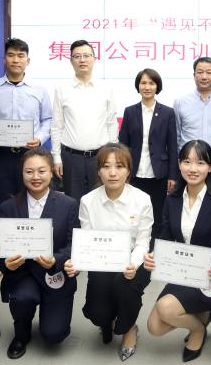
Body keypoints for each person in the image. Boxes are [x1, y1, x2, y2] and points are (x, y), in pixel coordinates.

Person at [143, 140, 211, 362]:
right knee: (154, 327)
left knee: (165, 308)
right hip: (181, 272)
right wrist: (154, 254)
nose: (193, 168)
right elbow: (165, 235)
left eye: (200, 163)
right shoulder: (172, 199)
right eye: (187, 162)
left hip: (210, 276)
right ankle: (202, 317)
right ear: (179, 164)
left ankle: (197, 331)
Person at [64, 143, 153, 362]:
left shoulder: (142, 199)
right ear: (98, 170)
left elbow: (143, 242)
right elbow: (86, 241)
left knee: (124, 286)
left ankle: (129, 329)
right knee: (97, 313)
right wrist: (77, 263)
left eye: (119, 166)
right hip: (101, 263)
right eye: (106, 166)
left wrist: (133, 264)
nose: (113, 173)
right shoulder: (88, 201)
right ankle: (109, 319)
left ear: (129, 170)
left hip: (133, 263)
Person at [0, 148, 79, 359]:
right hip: (23, 273)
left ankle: (51, 316)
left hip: (54, 274)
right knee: (22, 298)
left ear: (51, 172)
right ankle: (21, 334)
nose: (35, 177)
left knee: (54, 334)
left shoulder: (68, 205)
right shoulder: (7, 207)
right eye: (29, 171)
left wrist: (56, 260)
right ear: (21, 174)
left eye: (41, 171)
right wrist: (5, 263)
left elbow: (74, 245)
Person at [0, 38, 52, 207]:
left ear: (28, 60)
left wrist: (39, 139)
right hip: (1, 155)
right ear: (4, 59)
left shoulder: (39, 90)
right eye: (11, 55)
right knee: (3, 202)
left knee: (33, 200)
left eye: (20, 55)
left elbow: (48, 119)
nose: (15, 60)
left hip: (31, 154)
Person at [51, 39, 118, 201]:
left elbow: (111, 123)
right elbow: (57, 126)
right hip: (71, 158)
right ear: (71, 60)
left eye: (87, 55)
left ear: (94, 59)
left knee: (100, 201)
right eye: (77, 56)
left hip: (100, 157)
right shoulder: (62, 90)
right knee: (72, 203)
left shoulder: (106, 89)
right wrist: (56, 157)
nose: (82, 60)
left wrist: (112, 155)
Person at [119, 68, 178, 243]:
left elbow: (172, 146)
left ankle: (153, 249)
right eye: (143, 83)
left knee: (157, 213)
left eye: (151, 83)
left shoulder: (167, 112)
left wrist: (173, 176)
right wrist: (123, 171)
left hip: (158, 173)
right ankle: (134, 245)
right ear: (138, 86)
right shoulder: (130, 111)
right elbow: (123, 145)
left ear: (157, 86)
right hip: (135, 173)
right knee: (133, 212)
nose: (147, 87)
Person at [173, 57, 211, 184]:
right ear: (194, 75)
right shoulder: (180, 102)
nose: (204, 76)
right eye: (200, 72)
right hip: (188, 165)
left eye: (209, 72)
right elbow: (176, 135)